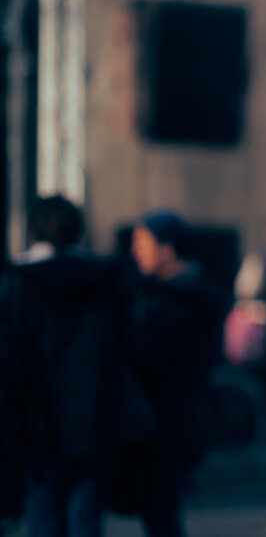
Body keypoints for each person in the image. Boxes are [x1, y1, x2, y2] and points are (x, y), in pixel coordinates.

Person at [0, 195, 152, 537]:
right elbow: (132, 345)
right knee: (86, 515)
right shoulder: (106, 277)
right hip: (98, 415)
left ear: (33, 229)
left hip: (36, 419)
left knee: (43, 513)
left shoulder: (17, 281)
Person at [127, 210, 230, 537]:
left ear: (167, 248)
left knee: (161, 513)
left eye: (142, 244)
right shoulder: (196, 293)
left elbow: (152, 356)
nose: (136, 252)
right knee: (163, 511)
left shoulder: (173, 298)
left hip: (166, 420)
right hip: (181, 418)